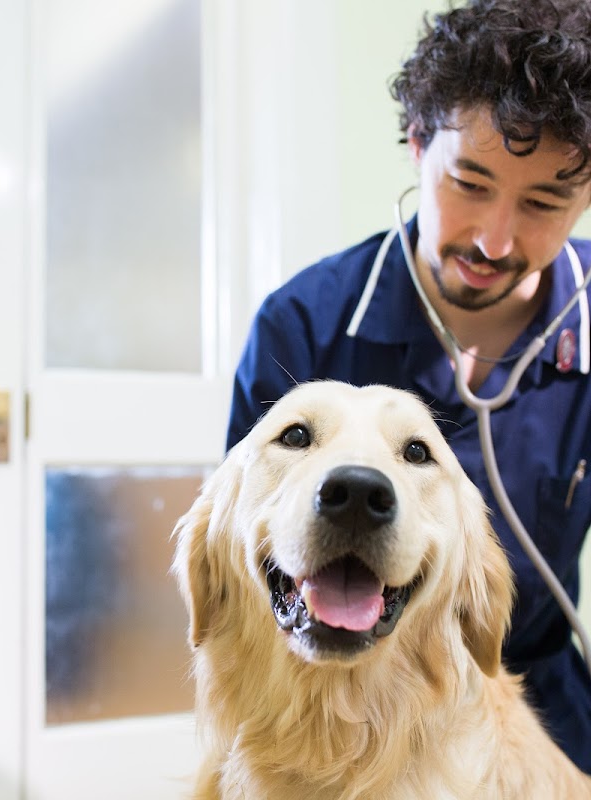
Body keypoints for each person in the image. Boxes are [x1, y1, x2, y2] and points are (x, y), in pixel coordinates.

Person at [226, 0, 591, 773]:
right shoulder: (303, 326)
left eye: (542, 203)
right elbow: (243, 560)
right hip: (329, 708)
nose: (494, 239)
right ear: (418, 144)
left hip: (537, 704)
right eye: (469, 182)